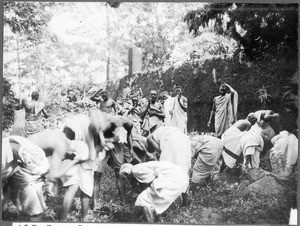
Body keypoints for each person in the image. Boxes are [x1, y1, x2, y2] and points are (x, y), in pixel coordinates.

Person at [27, 129, 91, 222]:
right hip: (24, 151)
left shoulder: (62, 136)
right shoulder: (62, 146)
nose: (66, 158)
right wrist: (74, 161)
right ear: (73, 153)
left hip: (23, 144)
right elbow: (54, 176)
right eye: (70, 157)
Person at [89, 111, 135, 205]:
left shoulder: (127, 123)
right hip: (99, 142)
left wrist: (131, 148)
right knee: (97, 174)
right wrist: (113, 139)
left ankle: (123, 203)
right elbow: (98, 140)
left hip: (116, 143)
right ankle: (95, 204)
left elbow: (130, 135)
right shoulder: (102, 124)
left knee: (120, 173)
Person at [119, 161, 189, 223]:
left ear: (127, 173)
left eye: (124, 178)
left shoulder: (135, 170)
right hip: (181, 176)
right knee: (151, 197)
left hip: (173, 177)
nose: (125, 181)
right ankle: (157, 216)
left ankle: (151, 222)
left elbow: (152, 175)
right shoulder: (139, 168)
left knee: (143, 199)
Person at [2, 135, 49, 221]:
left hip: (15, 170)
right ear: (20, 163)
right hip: (8, 169)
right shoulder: (4, 156)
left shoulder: (33, 151)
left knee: (35, 210)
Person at [146, 126, 191, 206]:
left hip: (171, 140)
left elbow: (158, 149)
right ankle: (185, 201)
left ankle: (163, 201)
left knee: (165, 170)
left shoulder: (150, 138)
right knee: (183, 169)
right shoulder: (163, 130)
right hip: (184, 140)